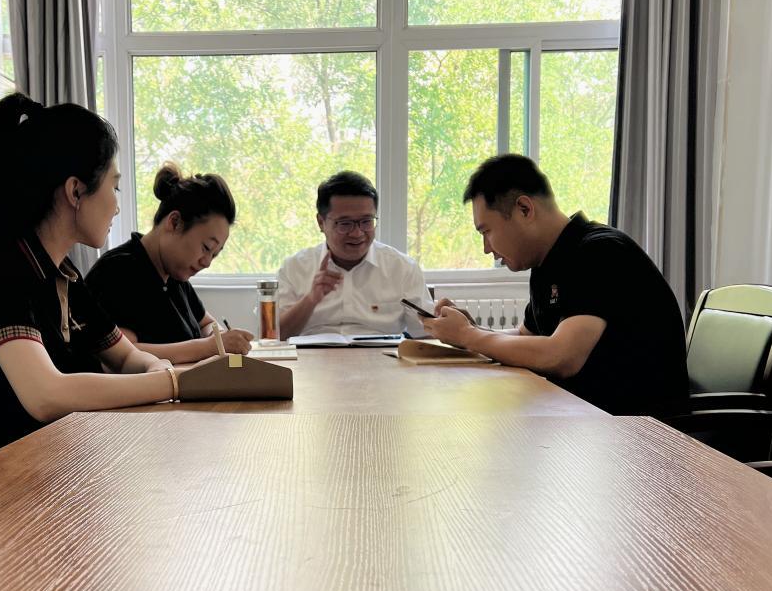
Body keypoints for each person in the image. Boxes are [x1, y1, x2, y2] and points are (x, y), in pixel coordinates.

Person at [0, 93, 178, 484]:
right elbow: (46, 395)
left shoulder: (62, 275)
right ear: (76, 191)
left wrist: (155, 370)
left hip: (31, 469)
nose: (117, 205)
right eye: (115, 187)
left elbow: (126, 358)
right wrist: (165, 383)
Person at [422, 153, 689, 417]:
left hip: (638, 430)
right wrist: (470, 330)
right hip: (585, 419)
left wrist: (469, 336)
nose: (486, 248)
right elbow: (527, 338)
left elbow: (562, 357)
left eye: (486, 231)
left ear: (524, 209)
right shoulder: (547, 263)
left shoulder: (600, 252)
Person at [85, 163, 254, 363]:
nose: (207, 262)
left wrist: (217, 337)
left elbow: (206, 324)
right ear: (174, 222)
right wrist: (210, 346)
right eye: (206, 248)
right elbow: (124, 355)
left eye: (215, 255)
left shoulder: (174, 275)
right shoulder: (118, 271)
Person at [276, 171, 432, 338]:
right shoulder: (294, 268)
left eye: (366, 222)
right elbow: (274, 336)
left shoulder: (402, 268)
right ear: (321, 222)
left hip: (382, 354)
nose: (357, 233)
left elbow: (428, 334)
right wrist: (311, 299)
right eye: (345, 224)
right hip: (312, 353)